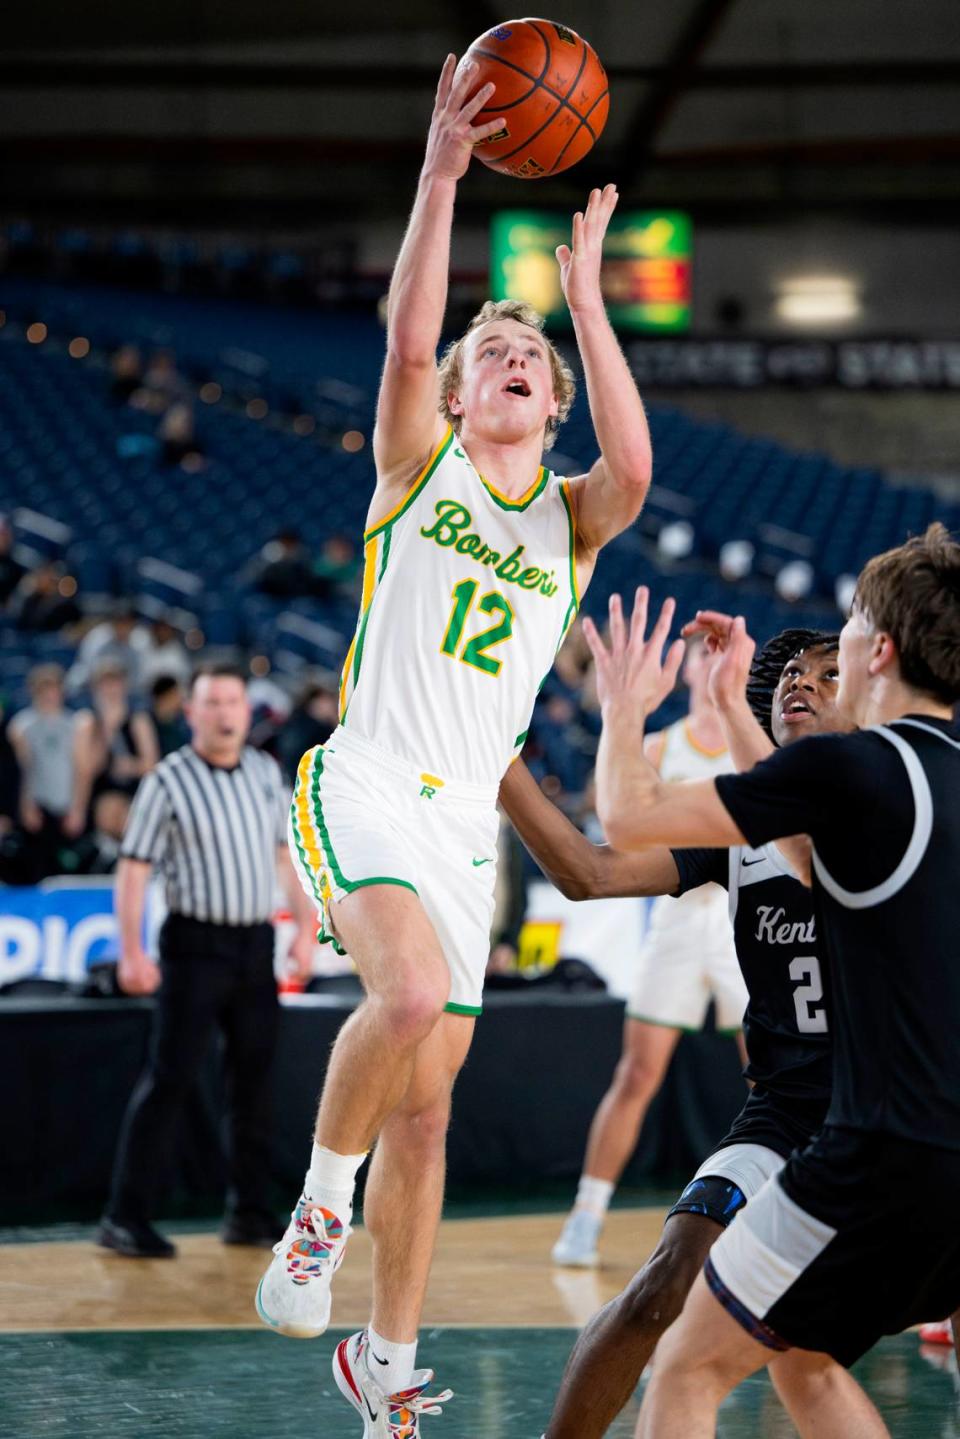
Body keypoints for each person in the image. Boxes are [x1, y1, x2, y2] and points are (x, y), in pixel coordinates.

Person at [255, 52, 653, 1437]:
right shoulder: (414, 461)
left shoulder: (570, 520)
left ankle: (385, 1353)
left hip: (460, 834)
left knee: (428, 1114)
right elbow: (409, 346)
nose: (507, 361)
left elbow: (638, 471)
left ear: (551, 409)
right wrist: (439, 172)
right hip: (365, 775)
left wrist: (586, 301)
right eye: (499, 349)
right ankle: (314, 1212)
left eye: (529, 362)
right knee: (409, 998)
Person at [575, 527, 960, 1436]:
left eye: (852, 628)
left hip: (877, 1150)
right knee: (804, 1356)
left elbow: (625, 814)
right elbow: (800, 849)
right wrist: (734, 703)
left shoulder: (856, 766)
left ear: (881, 650)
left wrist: (627, 706)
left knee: (687, 1367)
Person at [502, 626, 887, 1437]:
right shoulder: (738, 834)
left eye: (824, 672)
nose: (800, 683)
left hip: (891, 1109)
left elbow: (814, 842)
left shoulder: (882, 799)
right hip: (785, 1116)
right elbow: (589, 871)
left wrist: (716, 704)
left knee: (822, 1353)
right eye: (786, 671)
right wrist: (499, 763)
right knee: (663, 1281)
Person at [96, 664, 317, 1259]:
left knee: (254, 1084)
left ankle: (248, 1210)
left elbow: (282, 856)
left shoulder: (264, 772)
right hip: (194, 947)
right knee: (170, 1080)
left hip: (252, 948)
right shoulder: (166, 780)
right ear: (191, 713)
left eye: (233, 702)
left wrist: (305, 924)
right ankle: (126, 1214)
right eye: (212, 702)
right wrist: (132, 951)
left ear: (248, 712)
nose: (224, 713)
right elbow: (134, 868)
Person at [552, 634, 746, 1269]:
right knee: (636, 1074)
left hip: (743, 922)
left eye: (722, 651)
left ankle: (788, 1212)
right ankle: (586, 1214)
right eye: (701, 652)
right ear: (686, 667)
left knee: (776, 1076)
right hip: (679, 923)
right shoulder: (665, 747)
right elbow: (617, 826)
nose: (710, 660)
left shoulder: (756, 744)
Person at [8, 664, 90, 881]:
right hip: (39, 807)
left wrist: (78, 809)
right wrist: (26, 805)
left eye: (53, 688)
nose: (49, 695)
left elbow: (82, 770)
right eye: (44, 689)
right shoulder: (21, 725)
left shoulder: (75, 724)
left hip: (66, 806)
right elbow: (24, 770)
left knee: (70, 871)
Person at [74, 658, 158, 805]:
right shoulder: (88, 721)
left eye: (115, 683)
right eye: (105, 685)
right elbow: (87, 770)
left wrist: (131, 767)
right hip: (100, 796)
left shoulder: (138, 720)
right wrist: (108, 729)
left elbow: (152, 765)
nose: (111, 690)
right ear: (96, 689)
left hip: (133, 794)